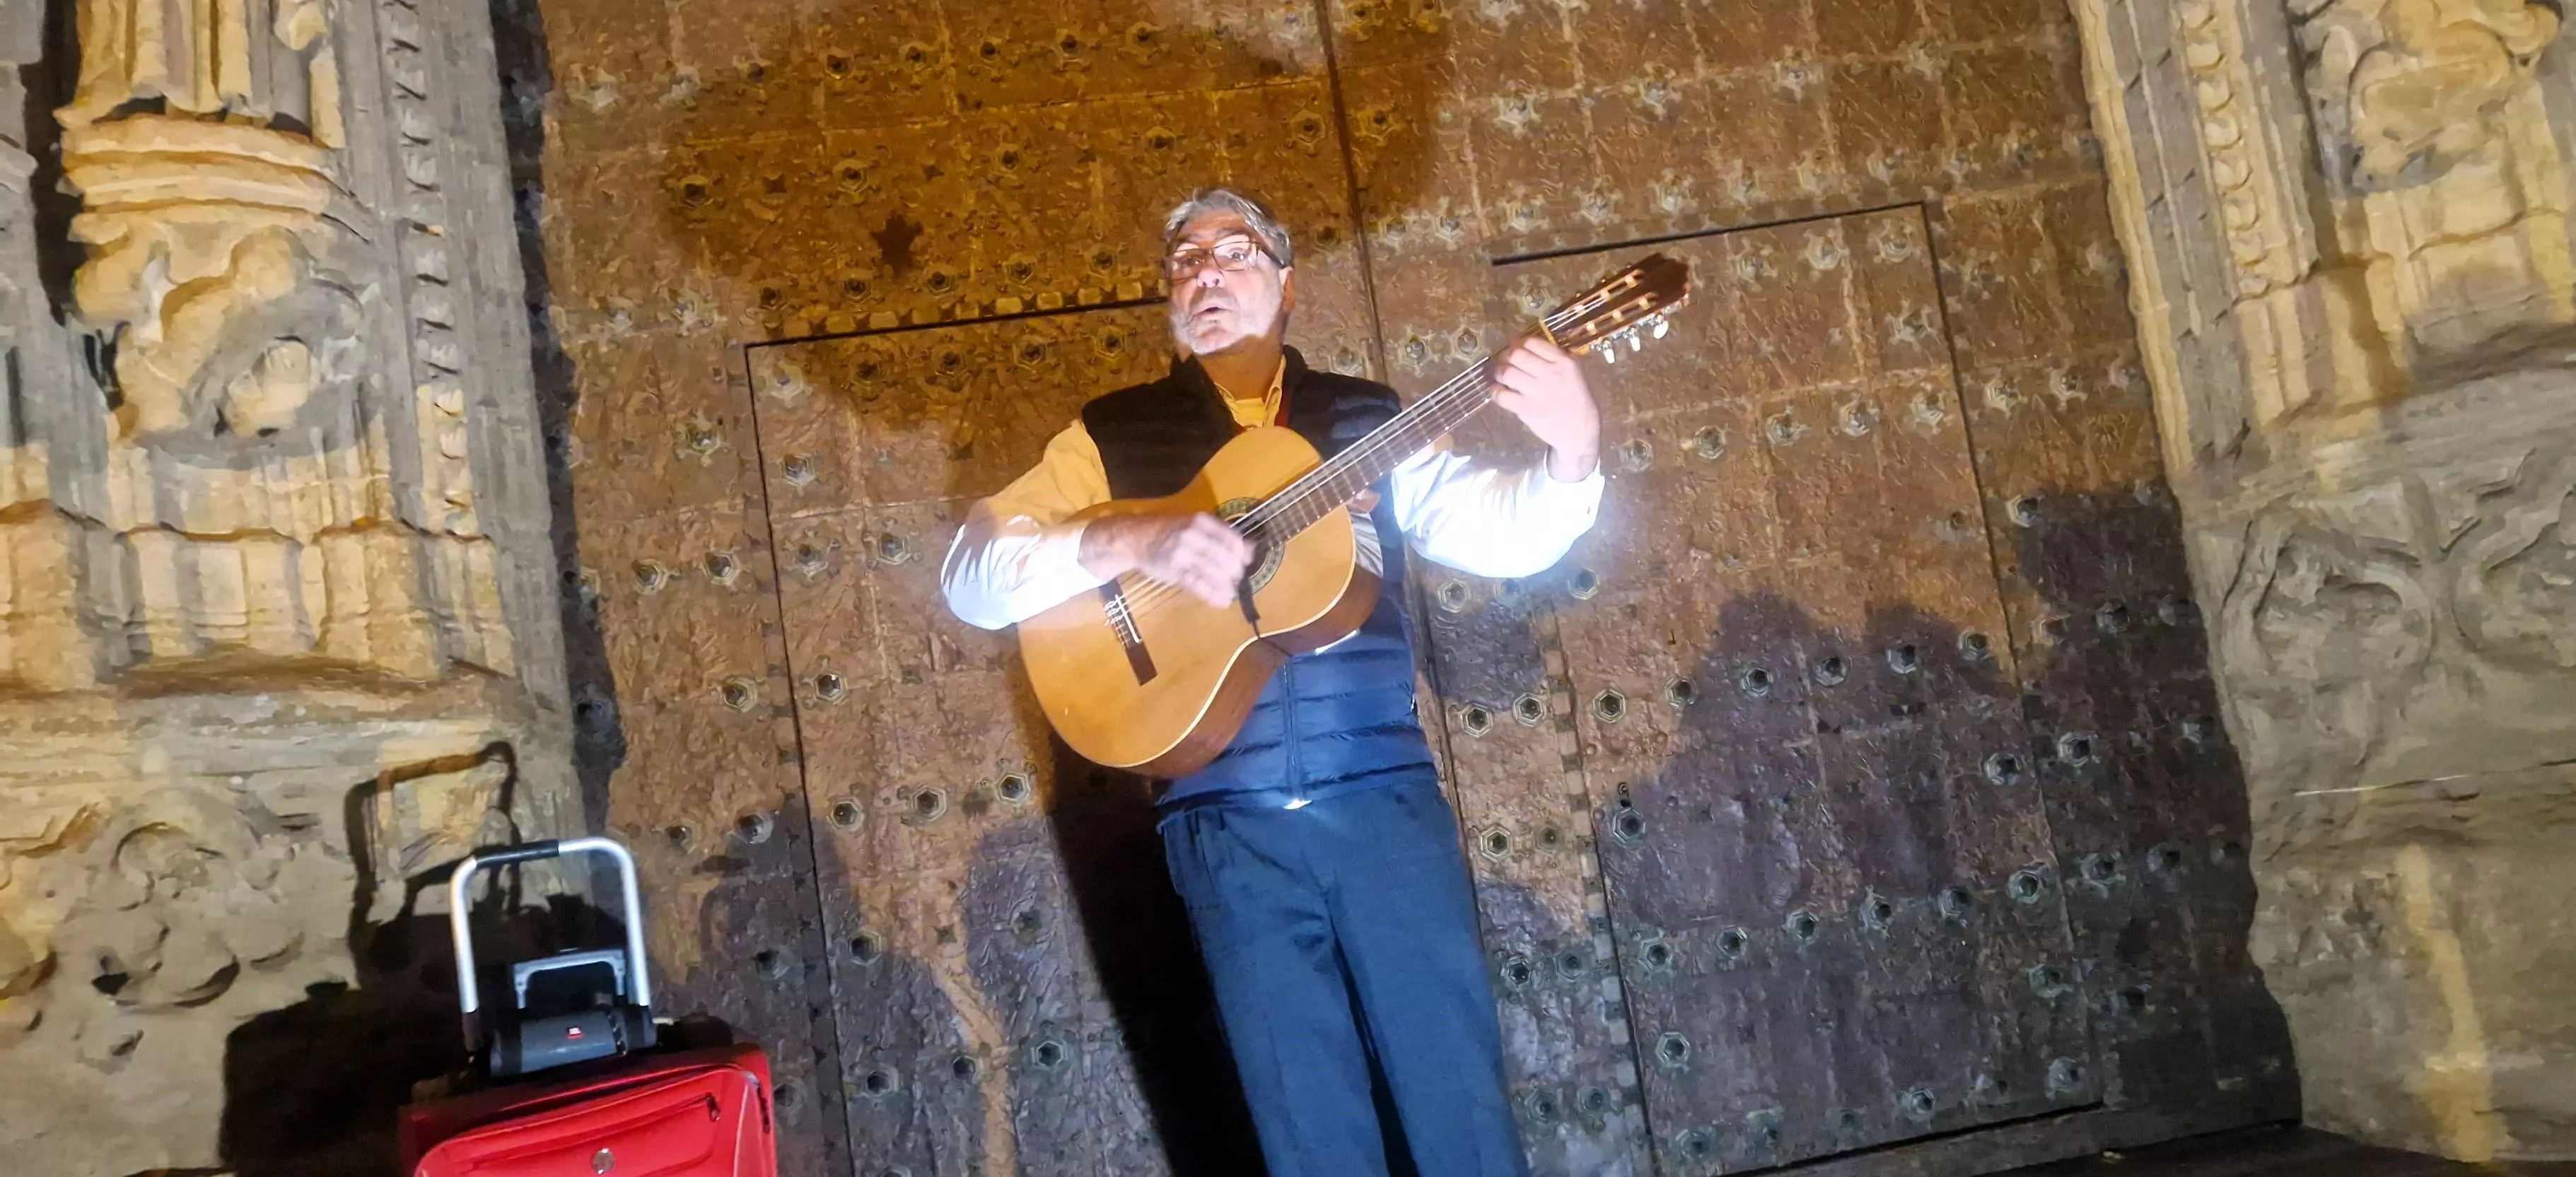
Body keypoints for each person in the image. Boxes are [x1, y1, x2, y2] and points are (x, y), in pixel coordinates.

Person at [940, 188, 1603, 1177]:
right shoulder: (1106, 435)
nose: (1205, 270)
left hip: (1382, 805)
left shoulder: (1365, 419)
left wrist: (1571, 451)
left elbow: (1494, 530)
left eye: (1236, 251)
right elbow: (971, 577)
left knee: (1459, 1114)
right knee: (1308, 1141)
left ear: (1286, 285)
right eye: (1184, 258)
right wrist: (1129, 535)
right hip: (1221, 829)